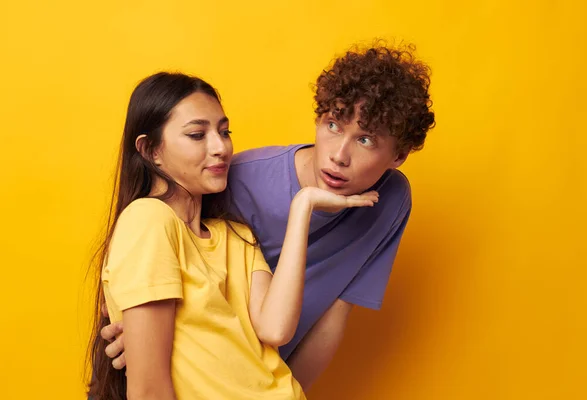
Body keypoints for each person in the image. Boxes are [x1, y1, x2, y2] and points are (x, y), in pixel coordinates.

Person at [100, 42, 436, 391]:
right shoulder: (229, 183)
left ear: (399, 155)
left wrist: (302, 207)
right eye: (333, 125)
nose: (339, 156)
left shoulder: (233, 232)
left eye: (365, 140)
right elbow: (147, 272)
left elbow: (322, 317)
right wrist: (139, 331)